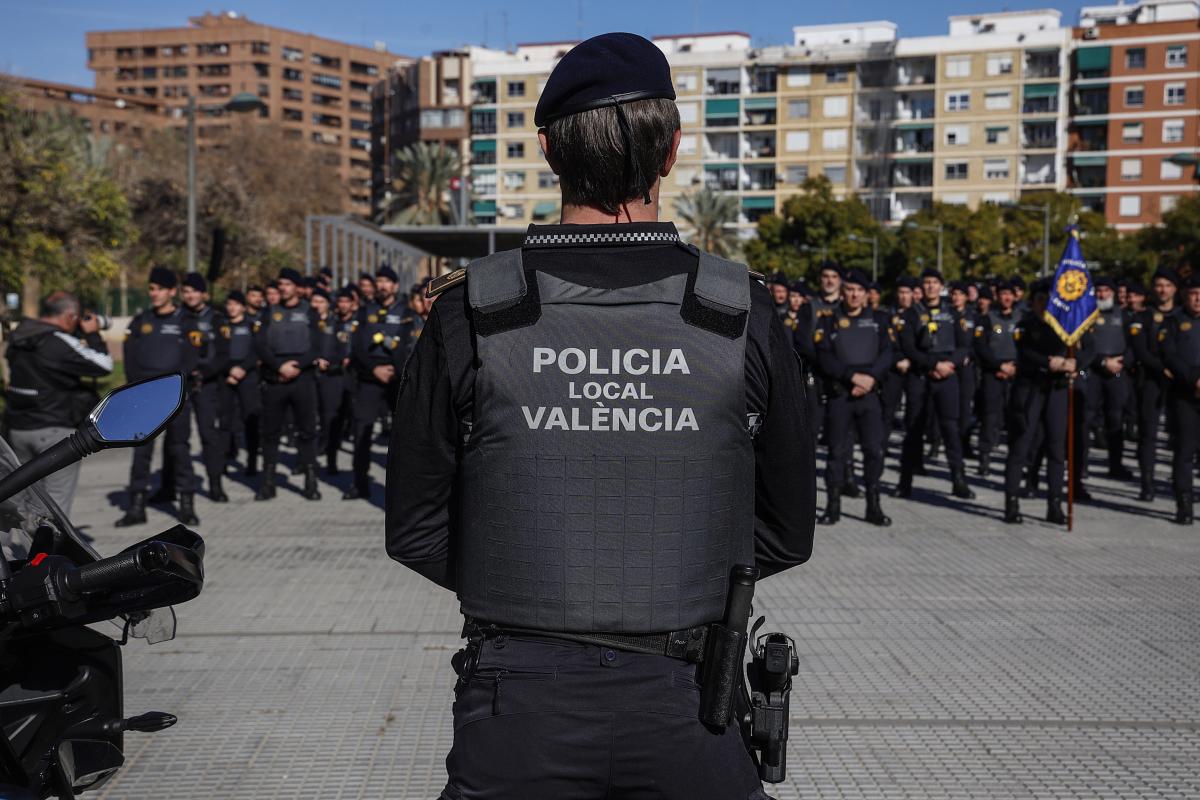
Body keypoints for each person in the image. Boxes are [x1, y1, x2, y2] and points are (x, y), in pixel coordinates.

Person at [384, 32, 815, 799]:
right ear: (672, 151)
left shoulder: (472, 310)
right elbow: (786, 531)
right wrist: (672, 584)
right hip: (690, 703)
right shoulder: (741, 311)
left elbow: (415, 528)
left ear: (549, 150)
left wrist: (525, 584)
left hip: (516, 707)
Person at [4, 291, 113, 515]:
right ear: (70, 316)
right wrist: (93, 335)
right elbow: (103, 365)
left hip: (18, 430)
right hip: (54, 431)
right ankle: (48, 539)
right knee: (55, 511)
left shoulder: (20, 336)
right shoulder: (57, 341)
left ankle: (24, 539)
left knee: (22, 505)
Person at [1003, 279, 1094, 524]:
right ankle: (1011, 503)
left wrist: (1076, 363)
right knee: (1021, 446)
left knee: (1056, 448)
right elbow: (1025, 352)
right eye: (1041, 299)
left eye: (1050, 299)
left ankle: (1055, 504)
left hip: (1058, 390)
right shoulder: (1025, 325)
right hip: (1031, 390)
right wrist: (1048, 362)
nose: (1045, 304)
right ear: (1033, 302)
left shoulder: (1069, 326)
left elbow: (1089, 349)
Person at [115, 267, 199, 527]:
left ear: (172, 292)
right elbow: (130, 359)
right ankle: (137, 507)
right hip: (146, 397)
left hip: (175, 395)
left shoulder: (186, 322)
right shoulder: (141, 322)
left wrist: (175, 387)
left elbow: (191, 359)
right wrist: (137, 390)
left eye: (160, 289)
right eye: (151, 289)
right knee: (141, 452)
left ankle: (186, 505)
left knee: (179, 449)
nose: (154, 293)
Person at [815, 268, 894, 526]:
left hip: (870, 395)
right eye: (850, 289)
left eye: (859, 290)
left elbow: (887, 353)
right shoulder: (829, 320)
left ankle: (874, 506)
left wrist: (870, 378)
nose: (854, 295)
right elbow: (824, 356)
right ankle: (833, 507)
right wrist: (852, 377)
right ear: (843, 291)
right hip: (841, 395)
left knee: (874, 451)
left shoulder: (879, 320)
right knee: (836, 452)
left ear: (866, 294)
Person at [896, 268, 975, 500]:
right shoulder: (912, 313)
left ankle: (958, 479)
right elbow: (908, 347)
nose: (930, 286)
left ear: (941, 286)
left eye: (934, 282)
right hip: (921, 376)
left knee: (950, 429)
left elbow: (964, 346)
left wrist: (949, 364)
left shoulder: (952, 313)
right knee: (913, 429)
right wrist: (933, 364)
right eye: (927, 282)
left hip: (947, 376)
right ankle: (905, 481)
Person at [254, 267, 321, 501]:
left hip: (303, 378)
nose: (283, 288)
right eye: (281, 284)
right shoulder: (269, 312)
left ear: (298, 288)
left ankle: (310, 481)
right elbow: (260, 345)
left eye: (288, 284)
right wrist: (279, 367)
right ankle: (268, 483)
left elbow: (317, 345)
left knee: (307, 431)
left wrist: (298, 366)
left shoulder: (310, 312)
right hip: (275, 378)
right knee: (270, 433)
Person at [345, 265, 409, 500]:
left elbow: (410, 344)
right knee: (362, 431)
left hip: (398, 379)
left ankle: (403, 488)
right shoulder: (364, 311)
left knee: (404, 434)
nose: (382, 285)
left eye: (386, 281)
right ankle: (359, 483)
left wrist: (396, 369)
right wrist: (374, 368)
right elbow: (357, 346)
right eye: (379, 281)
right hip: (370, 378)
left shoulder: (406, 311)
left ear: (395, 286)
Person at [1128, 267, 1182, 501]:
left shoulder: (1182, 316)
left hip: (1180, 380)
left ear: (1175, 289)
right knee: (1148, 433)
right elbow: (1140, 350)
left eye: (1168, 286)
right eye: (1159, 285)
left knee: (1181, 435)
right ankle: (1147, 483)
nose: (1163, 290)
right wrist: (1163, 368)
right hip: (1151, 379)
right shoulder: (1143, 317)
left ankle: (1179, 483)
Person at [179, 272, 230, 503]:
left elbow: (223, 354)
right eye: (186, 291)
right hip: (181, 384)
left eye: (194, 291)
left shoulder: (216, 319)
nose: (190, 295)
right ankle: (172, 486)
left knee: (209, 435)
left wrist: (204, 373)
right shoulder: (177, 317)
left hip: (206, 385)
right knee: (177, 437)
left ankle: (215, 484)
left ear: (204, 294)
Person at [1159, 274, 1199, 525]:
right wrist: (1194, 379)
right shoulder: (1174, 321)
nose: (1198, 299)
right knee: (1184, 451)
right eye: (1193, 294)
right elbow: (1169, 355)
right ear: (1185, 296)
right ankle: (1184, 504)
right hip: (1185, 394)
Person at [1086, 276, 1134, 480]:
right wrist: (1103, 362)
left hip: (1117, 372)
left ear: (1113, 293)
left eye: (1106, 290)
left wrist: (1121, 362)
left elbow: (1133, 344)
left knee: (1115, 420)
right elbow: (1082, 345)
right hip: (1093, 372)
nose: (1102, 294)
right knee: (1086, 419)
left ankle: (1116, 465)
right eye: (1099, 290)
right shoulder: (1086, 315)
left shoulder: (1123, 315)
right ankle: (1081, 466)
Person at [974, 279, 1022, 477]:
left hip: (1016, 373)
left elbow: (1028, 346)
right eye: (1003, 294)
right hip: (993, 373)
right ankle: (984, 457)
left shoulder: (1022, 318)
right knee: (990, 417)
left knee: (1016, 418)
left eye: (1010, 294)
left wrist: (1015, 367)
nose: (1006, 297)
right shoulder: (987, 319)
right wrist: (998, 366)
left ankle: (1017, 460)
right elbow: (981, 347)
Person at [220, 290, 262, 478]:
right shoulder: (221, 326)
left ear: (243, 307)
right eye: (229, 304)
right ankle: (223, 459)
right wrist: (230, 370)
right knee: (225, 420)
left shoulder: (252, 325)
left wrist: (242, 369)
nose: (232, 308)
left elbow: (257, 350)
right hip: (227, 375)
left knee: (250, 419)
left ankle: (252, 461)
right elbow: (218, 351)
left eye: (236, 304)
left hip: (248, 375)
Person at [311, 287, 351, 476]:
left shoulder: (337, 323)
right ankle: (306, 461)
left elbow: (343, 349)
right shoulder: (308, 321)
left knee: (330, 419)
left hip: (331, 376)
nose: (316, 305)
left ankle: (331, 459)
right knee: (309, 419)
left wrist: (329, 362)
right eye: (314, 301)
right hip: (309, 374)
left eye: (320, 301)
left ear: (328, 304)